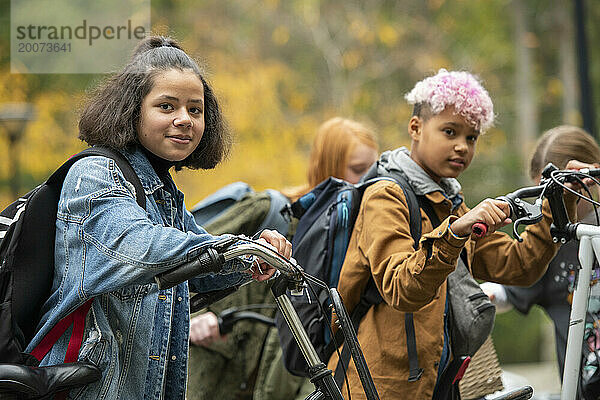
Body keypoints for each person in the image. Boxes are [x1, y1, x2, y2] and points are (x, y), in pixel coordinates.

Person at [24, 35, 291, 400]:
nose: (184, 119)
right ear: (132, 110)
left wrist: (254, 257)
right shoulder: (96, 174)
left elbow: (196, 268)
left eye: (195, 110)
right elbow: (139, 248)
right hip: (89, 388)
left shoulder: (163, 193)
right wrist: (237, 247)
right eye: (167, 106)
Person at [327, 69, 594, 400]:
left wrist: (561, 198)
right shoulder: (385, 195)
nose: (461, 147)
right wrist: (454, 233)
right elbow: (401, 288)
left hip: (439, 384)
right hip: (378, 386)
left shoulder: (449, 201)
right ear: (416, 128)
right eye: (450, 131)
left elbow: (519, 266)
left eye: (471, 137)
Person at [186, 117, 379, 400]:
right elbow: (186, 254)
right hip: (218, 368)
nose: (367, 182)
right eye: (358, 170)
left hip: (279, 382)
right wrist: (199, 317)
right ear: (329, 167)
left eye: (372, 171)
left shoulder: (347, 237)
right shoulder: (271, 210)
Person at [481, 125, 600, 381]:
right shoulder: (552, 240)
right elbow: (512, 285)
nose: (554, 206)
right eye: (545, 197)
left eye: (564, 192)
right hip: (582, 386)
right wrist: (479, 296)